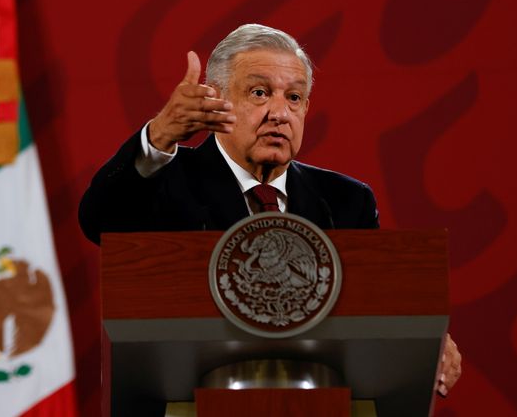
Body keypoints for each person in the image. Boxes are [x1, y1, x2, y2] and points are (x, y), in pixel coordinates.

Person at [78, 23, 460, 395]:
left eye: (293, 98)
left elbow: (375, 303)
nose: (280, 113)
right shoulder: (165, 180)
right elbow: (100, 220)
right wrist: (159, 135)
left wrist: (424, 340)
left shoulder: (347, 201)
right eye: (260, 93)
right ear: (215, 97)